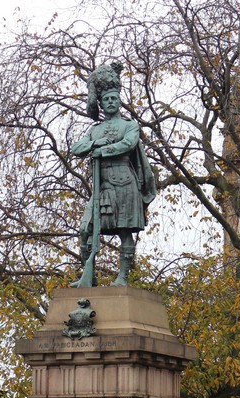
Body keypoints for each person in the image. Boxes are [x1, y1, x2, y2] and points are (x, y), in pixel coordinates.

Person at [70, 61, 156, 288]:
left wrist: (101, 151)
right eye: (106, 99)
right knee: (84, 230)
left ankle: (123, 277)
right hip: (103, 186)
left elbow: (127, 145)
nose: (110, 102)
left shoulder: (130, 126)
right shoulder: (95, 129)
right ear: (101, 102)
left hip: (126, 183)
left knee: (124, 232)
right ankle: (89, 276)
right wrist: (95, 143)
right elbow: (76, 148)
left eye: (113, 99)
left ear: (119, 101)